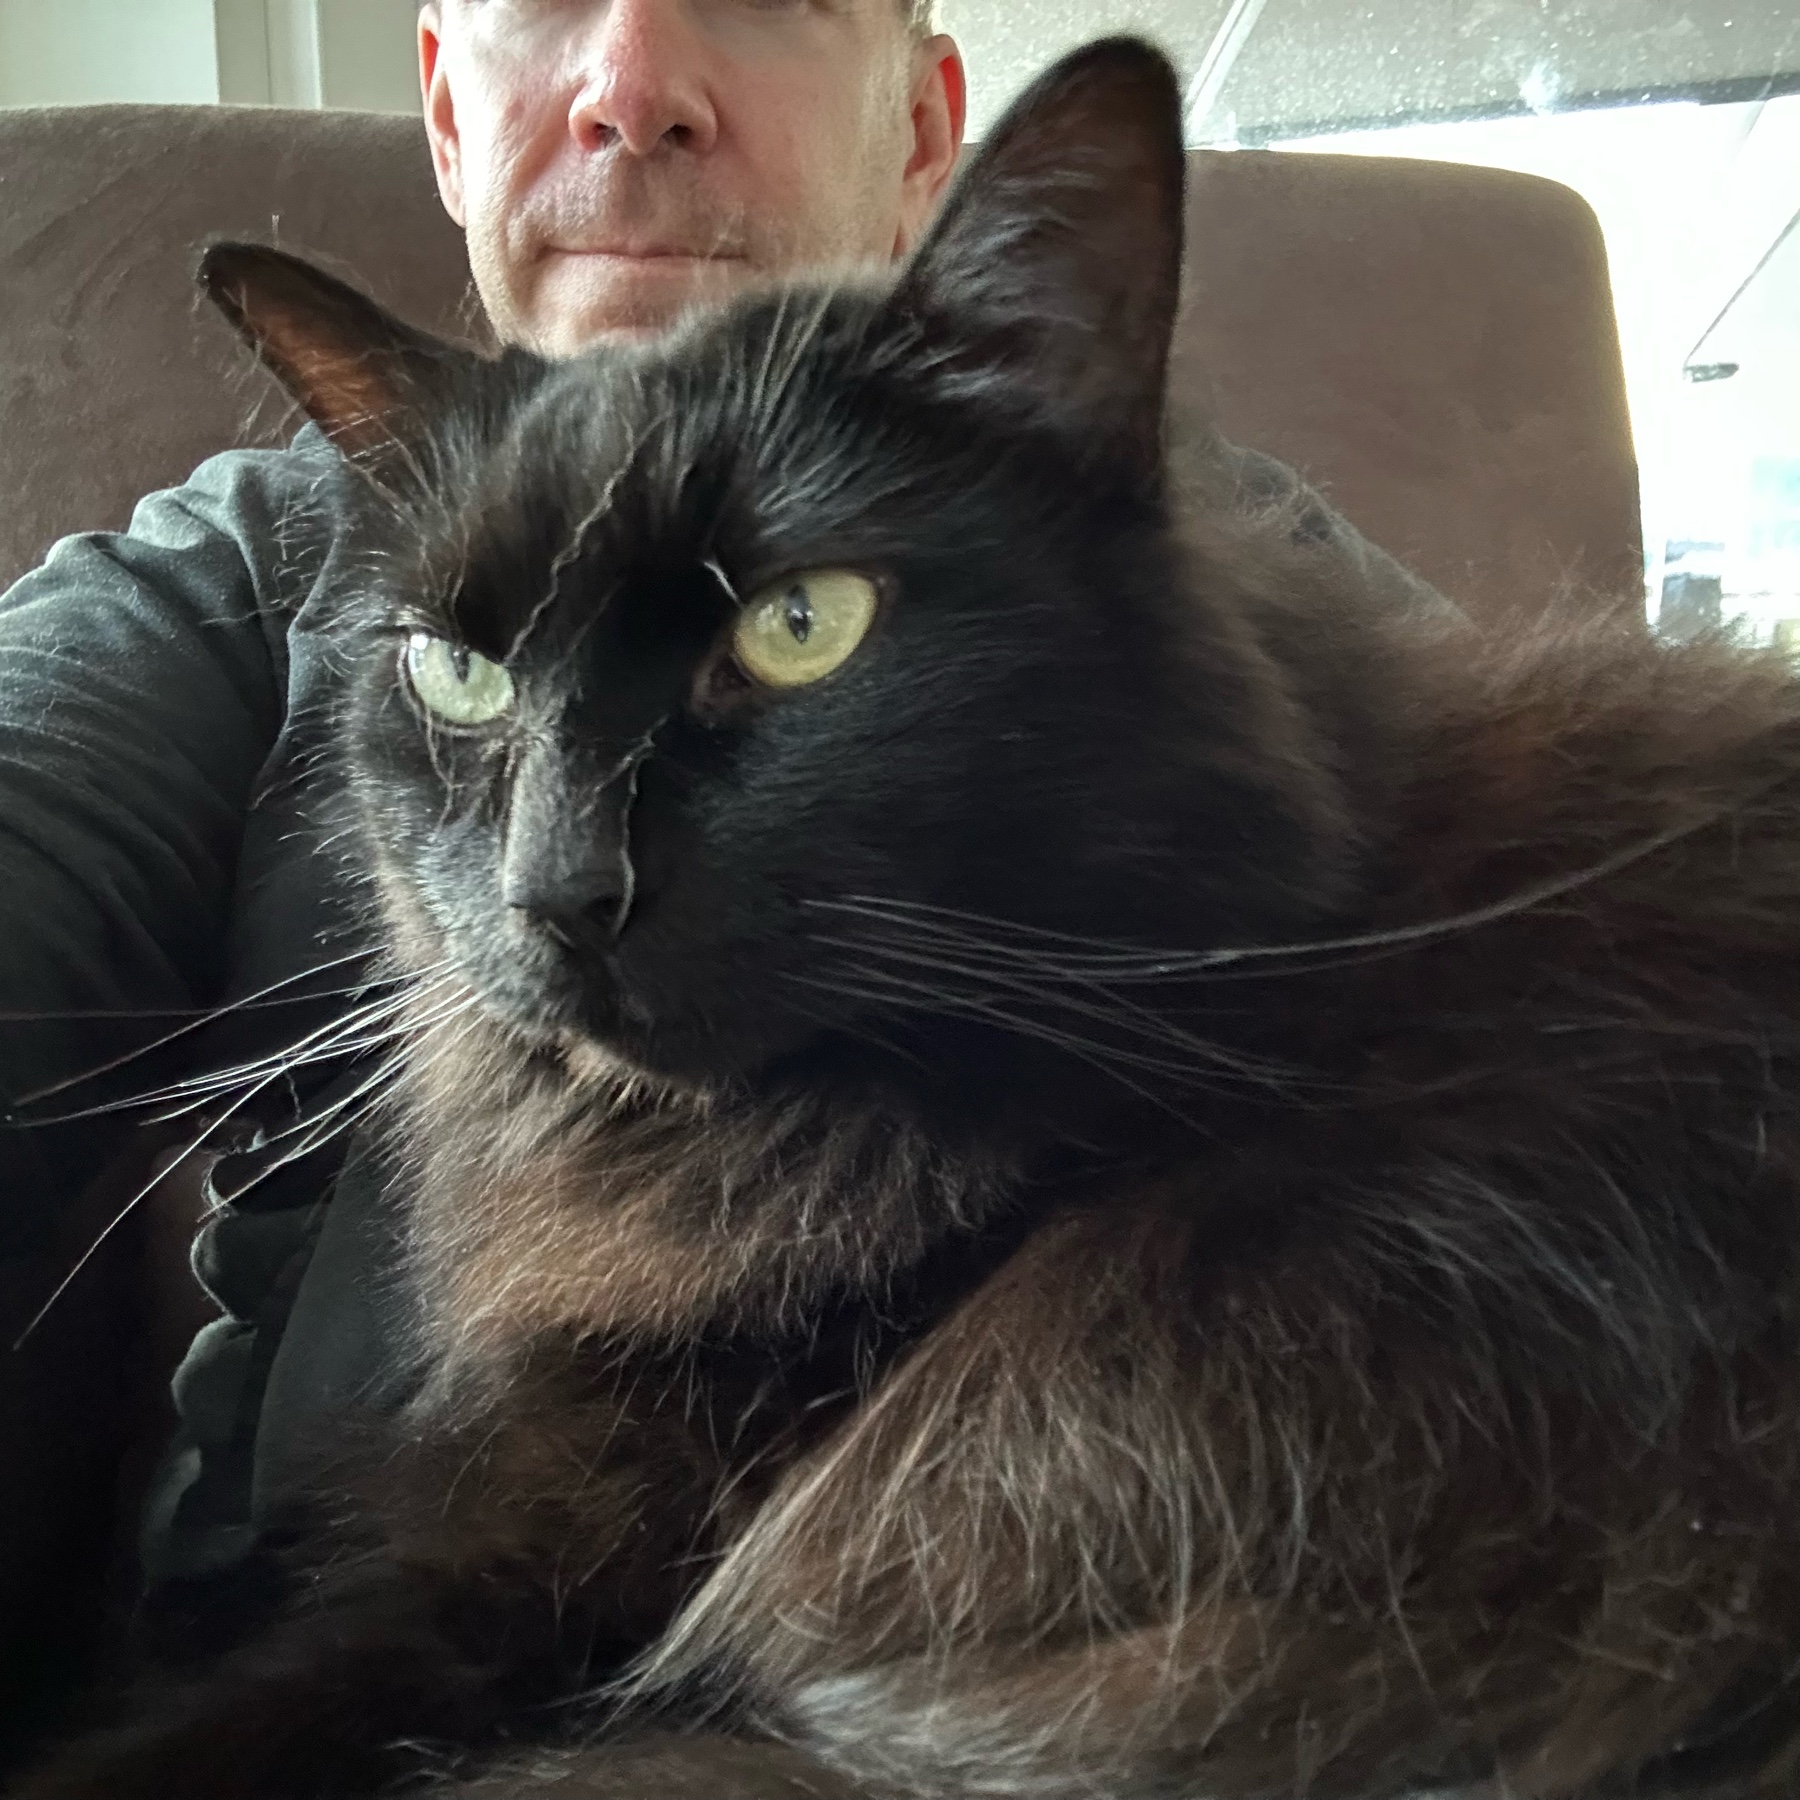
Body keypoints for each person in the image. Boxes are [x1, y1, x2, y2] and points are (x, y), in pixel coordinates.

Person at [0, 0, 964, 1655]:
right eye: (541, 8)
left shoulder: (1196, 534)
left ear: (924, 137)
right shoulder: (255, 563)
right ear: (448, 117)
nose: (631, 90)